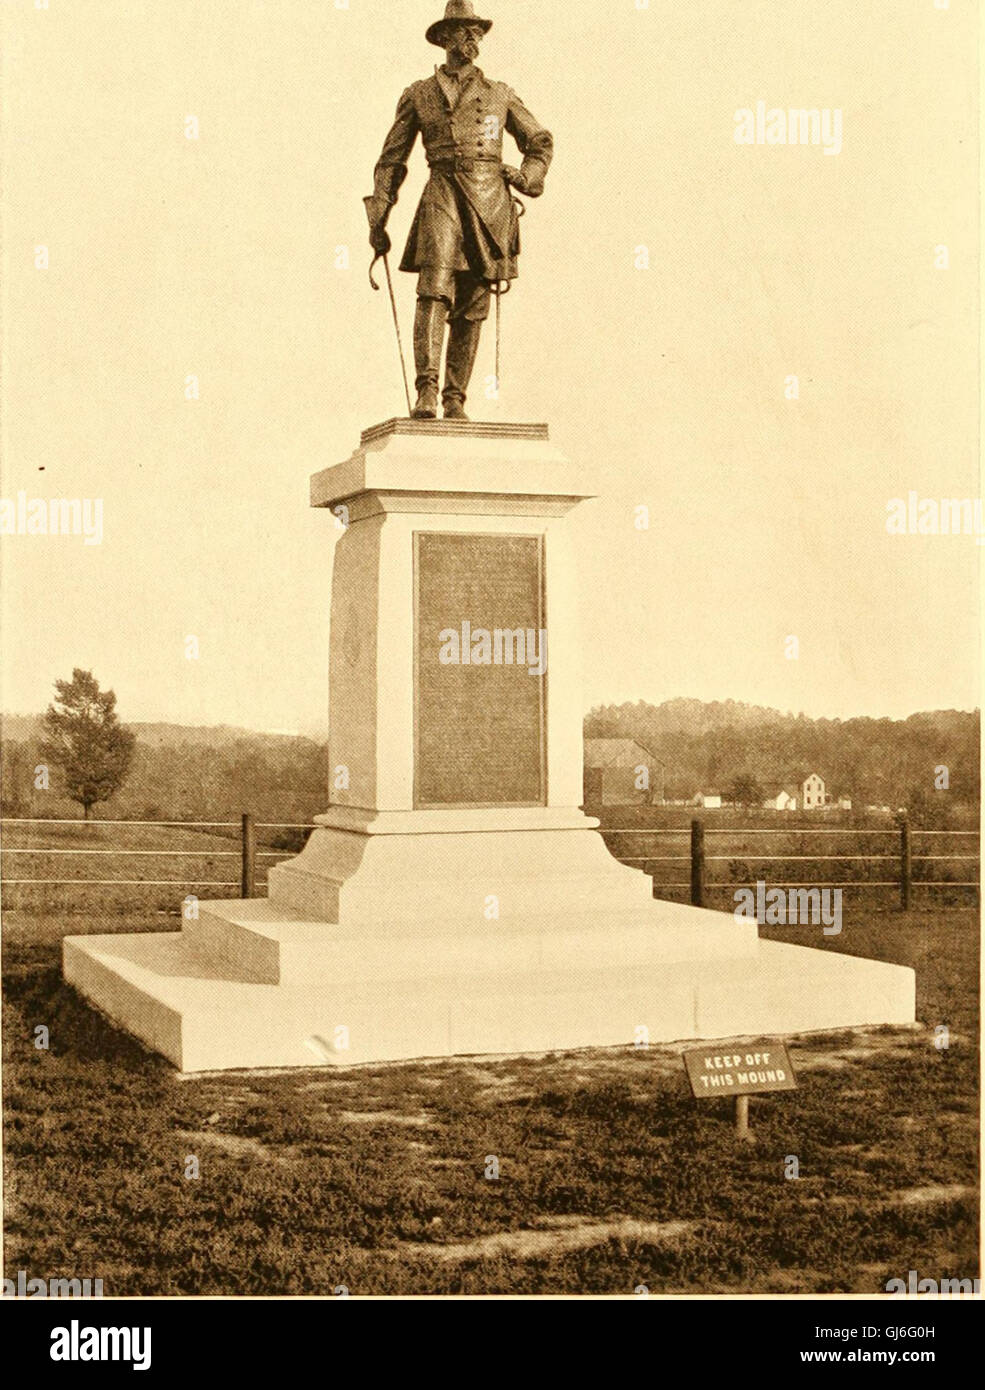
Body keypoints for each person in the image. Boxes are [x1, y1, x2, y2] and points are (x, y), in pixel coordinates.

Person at [364, 2, 553, 420]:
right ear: (445, 37)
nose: (472, 39)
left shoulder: (500, 94)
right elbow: (392, 160)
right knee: (433, 289)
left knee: (473, 299)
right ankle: (427, 392)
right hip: (442, 193)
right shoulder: (420, 93)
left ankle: (455, 397)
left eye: (476, 33)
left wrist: (526, 178)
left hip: (491, 201)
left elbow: (539, 140)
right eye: (463, 32)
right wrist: (379, 215)